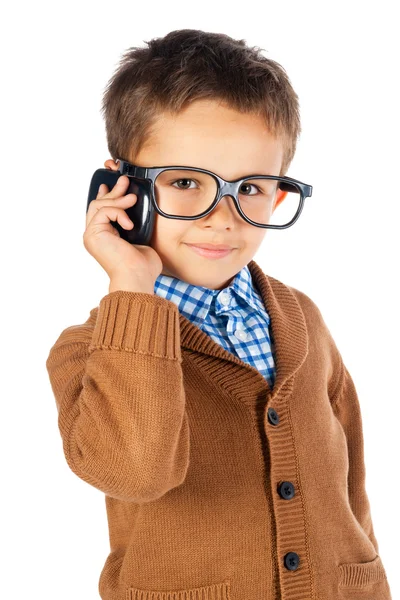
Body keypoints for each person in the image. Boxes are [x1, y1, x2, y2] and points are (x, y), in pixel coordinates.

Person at [45, 29, 392, 600]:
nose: (223, 218)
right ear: (118, 186)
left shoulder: (303, 317)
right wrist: (132, 287)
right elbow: (137, 472)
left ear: (279, 193)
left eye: (251, 187)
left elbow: (351, 482)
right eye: (185, 183)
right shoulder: (90, 349)